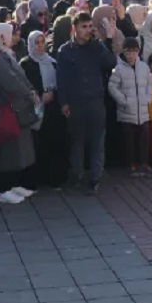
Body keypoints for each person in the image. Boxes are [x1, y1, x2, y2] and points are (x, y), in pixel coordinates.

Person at [56, 12, 117, 194]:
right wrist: (64, 102)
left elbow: (110, 63)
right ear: (75, 28)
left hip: (95, 101)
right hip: (76, 103)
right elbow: (62, 79)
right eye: (84, 27)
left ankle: (95, 178)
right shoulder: (65, 51)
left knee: (97, 141)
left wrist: (105, 42)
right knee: (77, 142)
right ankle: (77, 175)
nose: (88, 30)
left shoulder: (96, 47)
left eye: (90, 26)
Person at [0, 22, 39, 203]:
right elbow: (11, 81)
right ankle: (4, 189)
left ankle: (15, 184)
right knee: (8, 149)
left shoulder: (7, 55)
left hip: (17, 108)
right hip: (7, 109)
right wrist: (28, 92)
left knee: (19, 148)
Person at [20, 30, 68, 187]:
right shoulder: (26, 64)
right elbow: (24, 88)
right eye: (37, 43)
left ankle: (55, 178)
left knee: (55, 142)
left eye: (42, 42)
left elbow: (61, 83)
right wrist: (40, 96)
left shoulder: (52, 62)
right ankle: (38, 178)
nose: (40, 46)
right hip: (36, 111)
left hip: (53, 110)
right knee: (37, 145)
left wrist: (53, 94)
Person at [109, 36, 152, 176]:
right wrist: (124, 101)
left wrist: (147, 99)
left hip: (142, 111)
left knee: (144, 138)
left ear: (138, 52)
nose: (131, 55)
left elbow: (149, 84)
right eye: (128, 52)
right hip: (127, 111)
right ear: (124, 52)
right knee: (129, 140)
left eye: (134, 52)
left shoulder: (144, 67)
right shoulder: (118, 69)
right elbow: (112, 87)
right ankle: (131, 164)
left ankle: (144, 163)